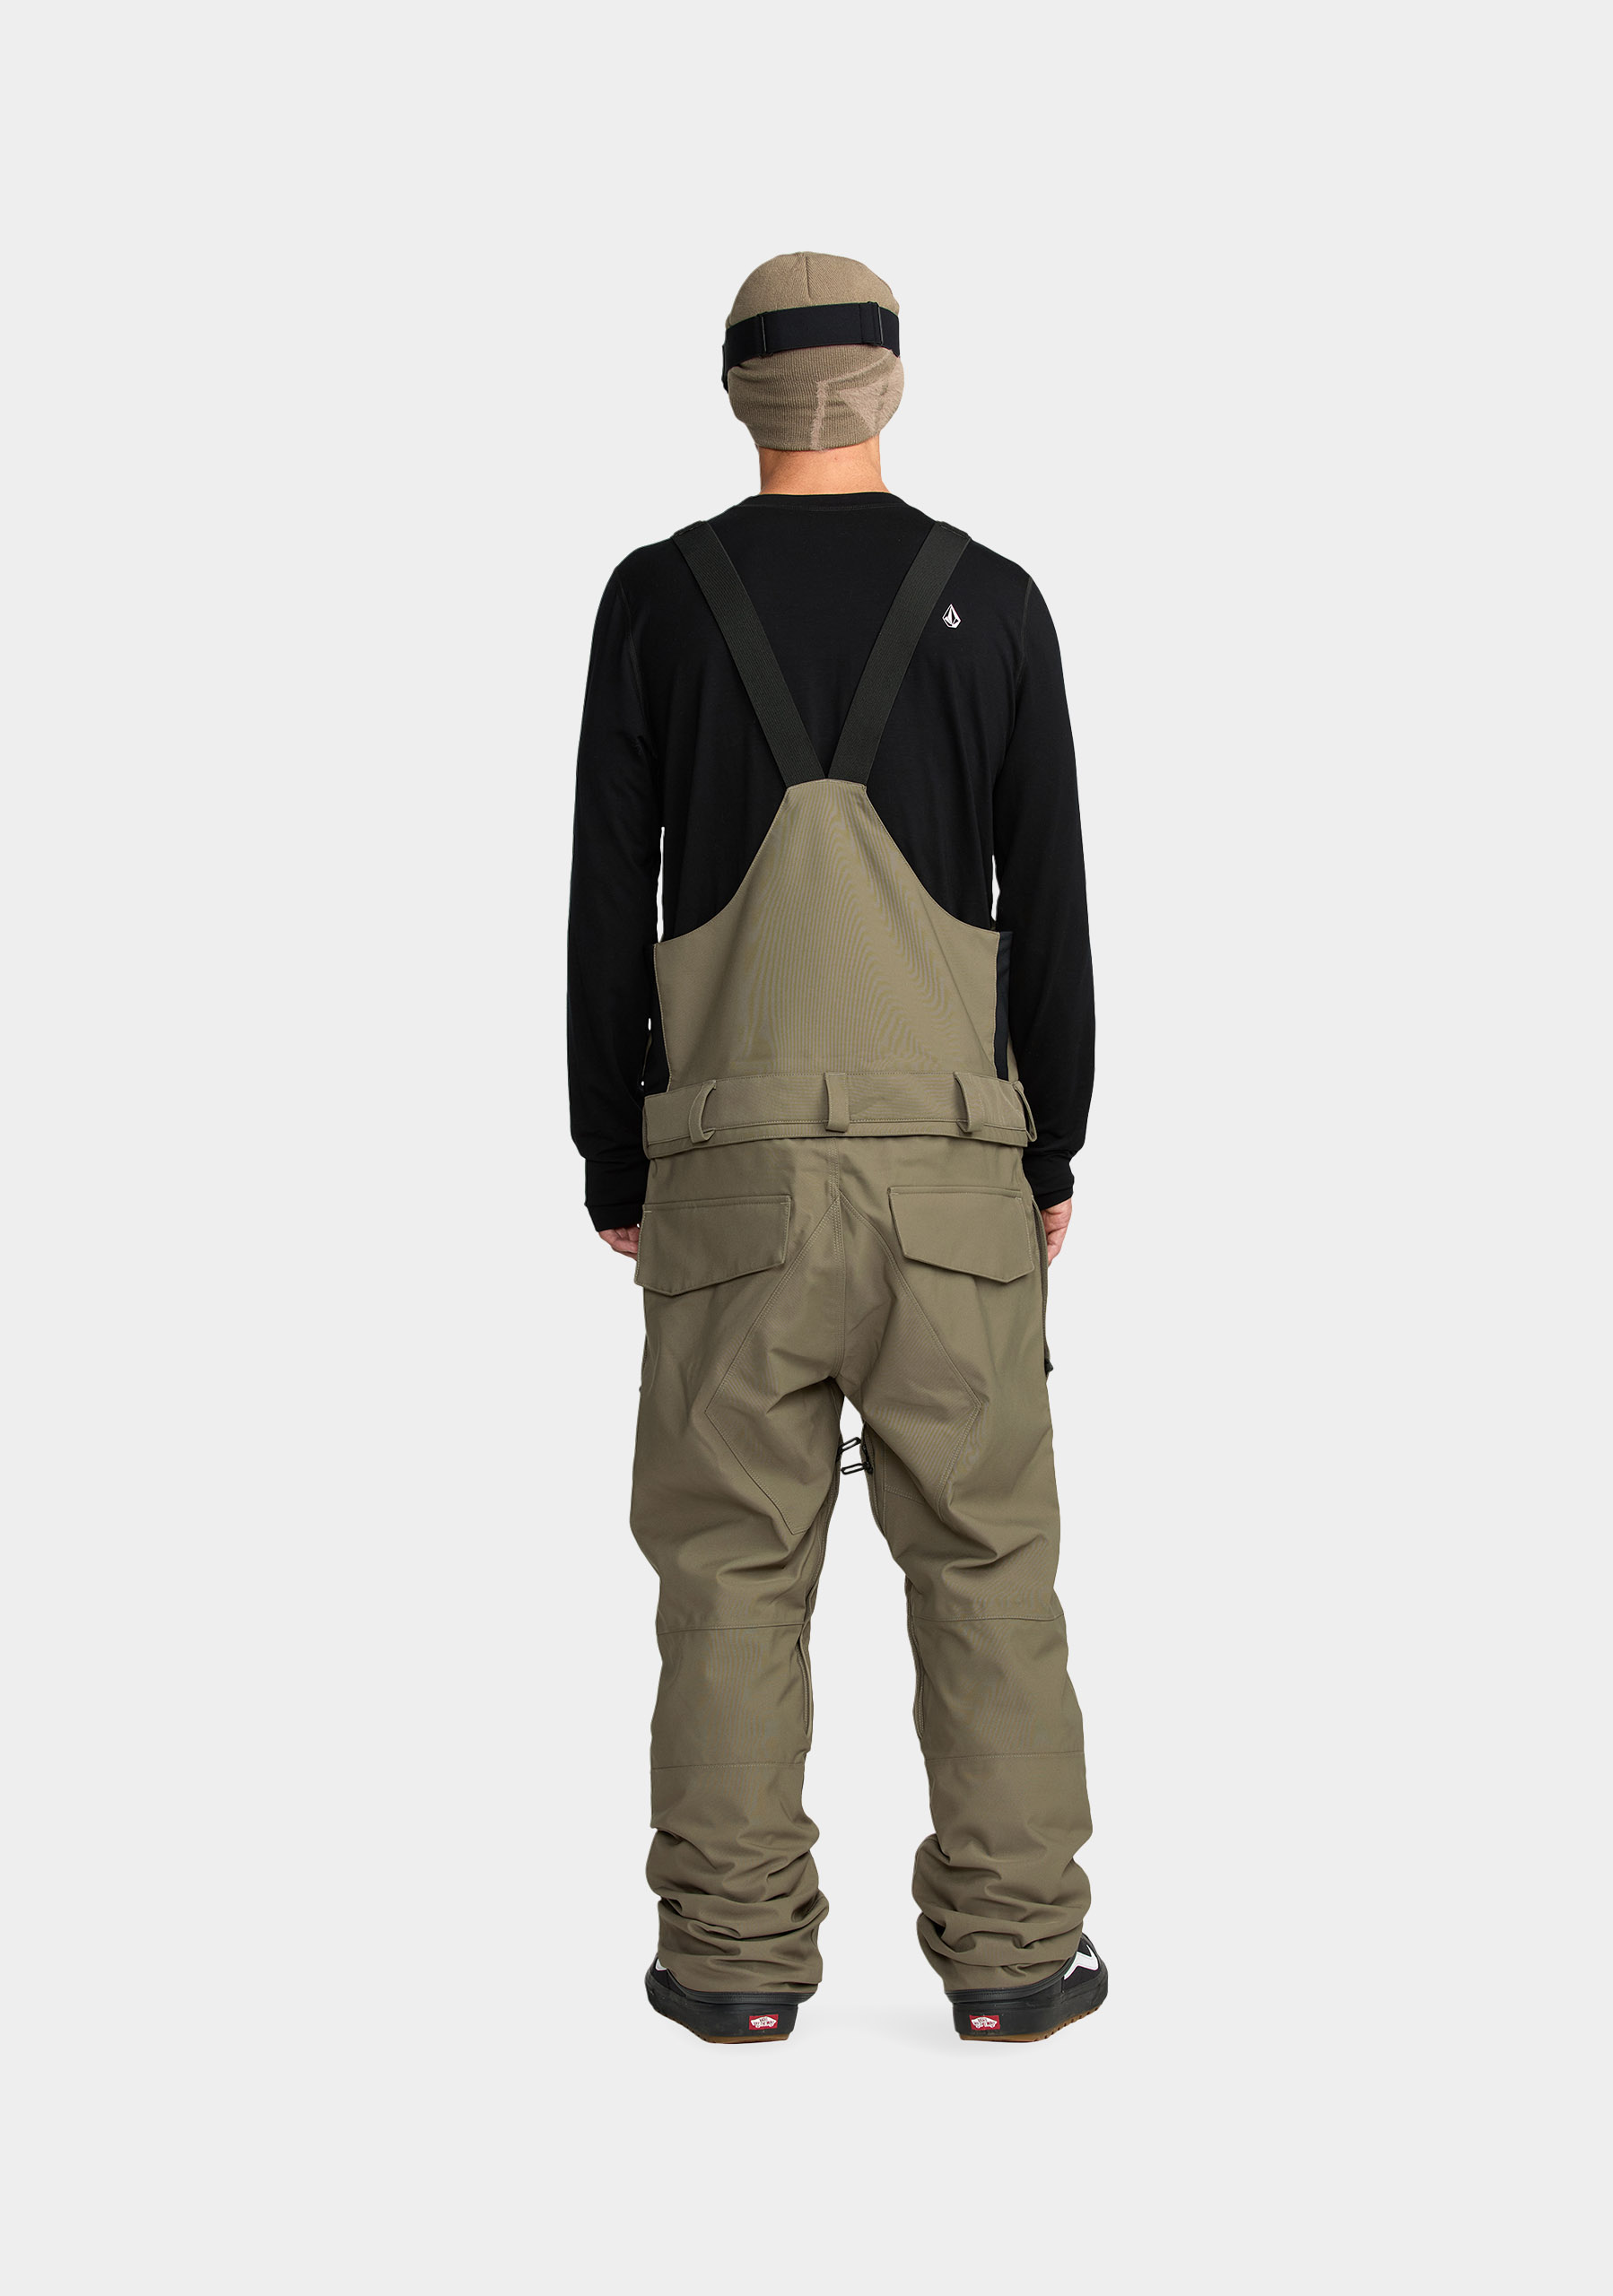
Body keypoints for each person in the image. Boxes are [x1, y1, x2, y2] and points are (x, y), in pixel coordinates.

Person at [567, 251, 1104, 2044]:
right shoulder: (995, 602)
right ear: (889, 382)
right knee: (988, 1569)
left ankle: (732, 1964)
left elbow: (604, 901)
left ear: (738, 388)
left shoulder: (657, 601)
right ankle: (1014, 1959)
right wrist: (1050, 1152)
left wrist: (616, 1157)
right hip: (954, 1176)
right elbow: (1054, 910)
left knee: (728, 1575)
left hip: (729, 1180)